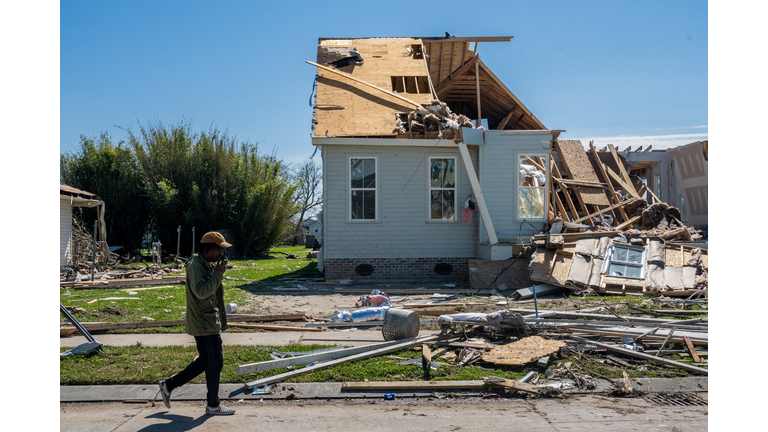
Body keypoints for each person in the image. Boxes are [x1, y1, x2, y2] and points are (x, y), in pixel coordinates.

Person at [158, 231, 235, 416]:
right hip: (203, 323)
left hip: (207, 321)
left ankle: (169, 385)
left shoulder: (205, 264)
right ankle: (213, 405)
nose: (222, 254)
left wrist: (217, 271)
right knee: (215, 363)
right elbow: (202, 292)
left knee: (206, 362)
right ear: (207, 248)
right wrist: (218, 274)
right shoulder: (195, 267)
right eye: (219, 250)